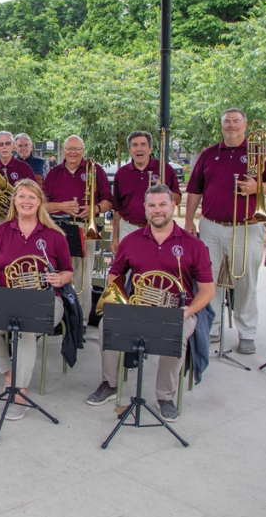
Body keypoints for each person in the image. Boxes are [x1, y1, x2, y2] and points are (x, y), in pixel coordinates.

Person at [86, 184, 214, 423]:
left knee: (176, 334)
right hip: (139, 307)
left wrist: (189, 311)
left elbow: (207, 290)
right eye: (152, 205)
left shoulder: (193, 244)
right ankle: (109, 382)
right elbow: (116, 273)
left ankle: (165, 397)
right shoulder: (132, 240)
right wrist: (121, 300)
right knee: (107, 325)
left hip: (177, 309)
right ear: (145, 208)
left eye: (163, 204)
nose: (158, 210)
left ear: (173, 206)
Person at [183, 108, 266, 354]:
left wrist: (257, 187)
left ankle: (247, 333)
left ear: (245, 125)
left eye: (236, 122)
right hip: (211, 226)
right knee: (208, 280)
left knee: (245, 282)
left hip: (247, 227)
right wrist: (188, 221)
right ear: (222, 126)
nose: (231, 126)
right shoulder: (209, 154)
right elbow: (195, 190)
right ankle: (212, 327)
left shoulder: (260, 153)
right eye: (227, 122)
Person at [0, 179, 73, 420]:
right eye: (21, 196)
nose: (26, 201)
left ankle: (19, 392)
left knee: (25, 331)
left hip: (45, 299)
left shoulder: (54, 235)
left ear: (40, 202)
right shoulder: (1, 231)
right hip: (7, 297)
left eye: (32, 197)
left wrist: (60, 279)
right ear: (15, 201)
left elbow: (68, 271)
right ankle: (10, 374)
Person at [42, 135, 113, 321]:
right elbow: (42, 205)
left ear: (83, 151)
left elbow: (108, 201)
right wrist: (61, 206)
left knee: (83, 276)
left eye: (77, 149)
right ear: (63, 150)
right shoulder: (54, 172)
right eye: (69, 148)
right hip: (57, 227)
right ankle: (57, 317)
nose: (73, 152)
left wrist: (94, 209)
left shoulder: (95, 170)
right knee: (55, 273)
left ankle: (80, 320)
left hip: (84, 227)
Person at [111, 131, 181, 257]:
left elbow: (178, 199)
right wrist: (115, 237)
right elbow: (117, 208)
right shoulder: (121, 174)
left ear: (150, 149)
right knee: (127, 270)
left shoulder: (165, 169)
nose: (139, 149)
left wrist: (165, 190)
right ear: (130, 150)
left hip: (158, 227)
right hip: (128, 227)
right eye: (135, 145)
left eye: (143, 145)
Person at [0, 131, 35, 240]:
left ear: (13, 145)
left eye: (7, 143)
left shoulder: (24, 167)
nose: (4, 147)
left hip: (19, 217)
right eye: (0, 144)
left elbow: (35, 192)